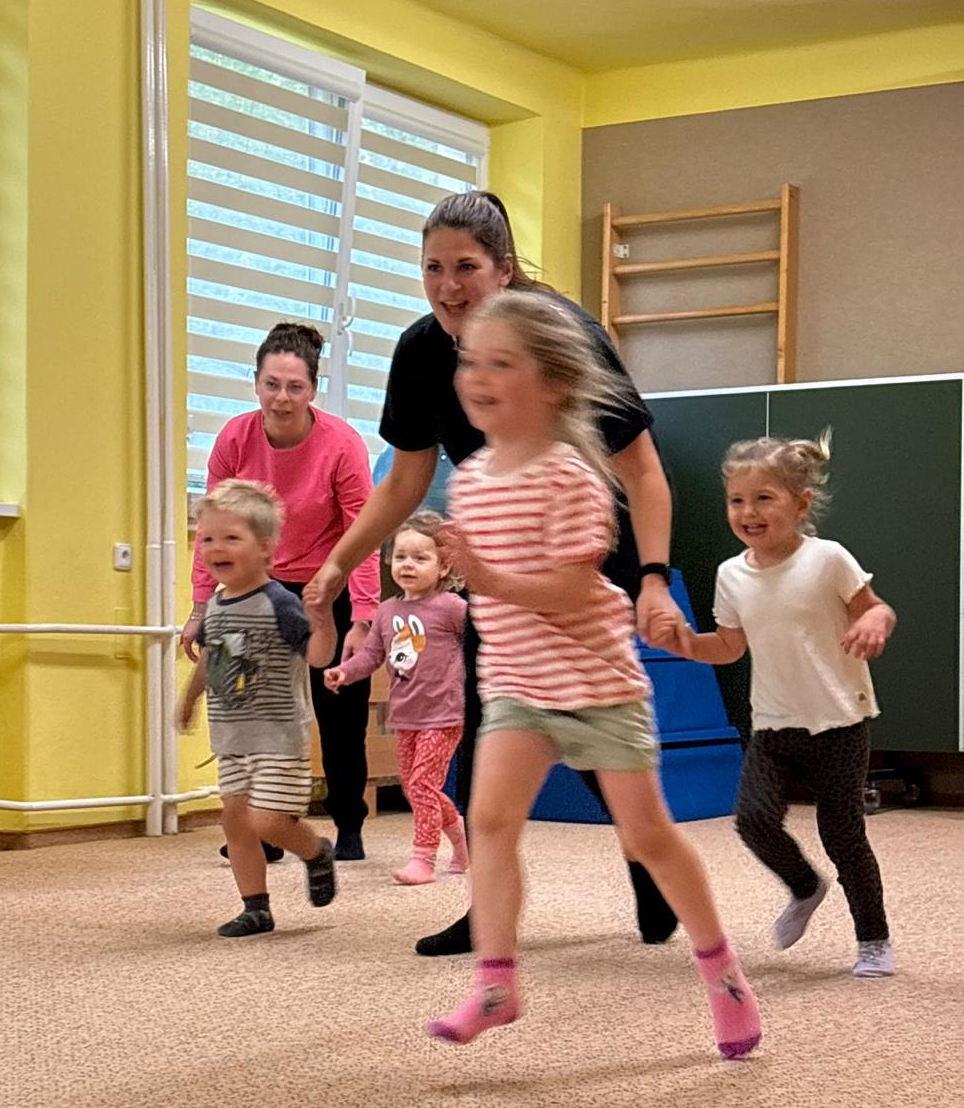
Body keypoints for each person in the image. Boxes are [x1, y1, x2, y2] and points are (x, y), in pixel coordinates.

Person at [304, 191, 684, 953]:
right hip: (496, 561)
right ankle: (487, 911)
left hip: (580, 552)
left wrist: (652, 576)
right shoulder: (421, 352)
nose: (448, 286)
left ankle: (651, 863)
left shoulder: (562, 337)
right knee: (492, 722)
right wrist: (341, 561)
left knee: (590, 720)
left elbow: (643, 472)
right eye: (433, 268)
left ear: (503, 270)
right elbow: (407, 479)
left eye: (466, 267)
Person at [425, 291, 761, 1058]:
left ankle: (723, 972)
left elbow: (574, 589)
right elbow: (490, 588)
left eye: (500, 364)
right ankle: (496, 984)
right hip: (516, 685)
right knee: (491, 823)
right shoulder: (469, 480)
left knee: (647, 836)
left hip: (596, 682)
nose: (477, 377)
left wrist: (486, 578)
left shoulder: (573, 477)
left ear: (553, 385)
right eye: (471, 362)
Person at [652, 433, 897, 977]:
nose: (748, 512)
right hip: (772, 725)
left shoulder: (828, 559)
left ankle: (874, 941)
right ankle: (805, 886)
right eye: (736, 500)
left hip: (839, 721)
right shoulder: (730, 574)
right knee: (753, 820)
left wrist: (875, 622)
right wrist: (683, 644)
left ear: (801, 503)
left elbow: (876, 608)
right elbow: (729, 646)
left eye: (764, 498)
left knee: (843, 836)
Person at [182, 323, 380, 863]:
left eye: (295, 387)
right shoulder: (235, 439)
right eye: (272, 385)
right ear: (255, 383)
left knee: (339, 709)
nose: (282, 398)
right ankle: (262, 832)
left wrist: (362, 616)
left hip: (326, 583)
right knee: (253, 706)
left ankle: (349, 823)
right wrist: (202, 606)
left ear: (313, 389)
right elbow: (213, 529)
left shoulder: (341, 444)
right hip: (258, 586)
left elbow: (363, 530)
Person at [177, 480, 338, 938]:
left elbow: (318, 657)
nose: (215, 548)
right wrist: (190, 698)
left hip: (278, 737)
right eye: (207, 538)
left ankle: (315, 851)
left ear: (264, 547)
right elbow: (211, 658)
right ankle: (256, 907)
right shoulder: (215, 606)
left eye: (231, 538)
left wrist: (323, 621)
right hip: (231, 737)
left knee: (267, 821)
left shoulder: (279, 603)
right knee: (235, 823)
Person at [325, 511, 468, 885]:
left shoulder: (452, 607)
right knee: (416, 787)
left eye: (420, 558)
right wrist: (345, 672)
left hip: (444, 713)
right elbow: (372, 656)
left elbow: (479, 643)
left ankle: (423, 859)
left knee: (421, 785)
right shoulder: (386, 611)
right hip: (406, 715)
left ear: (442, 567)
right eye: (401, 556)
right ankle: (461, 840)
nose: (408, 565)